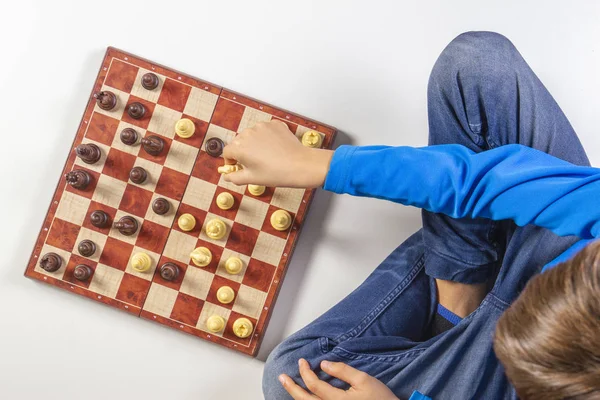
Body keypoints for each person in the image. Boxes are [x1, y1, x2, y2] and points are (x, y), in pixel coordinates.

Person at [221, 31, 600, 399]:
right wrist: (319, 164)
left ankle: (475, 254)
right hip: (554, 262)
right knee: (477, 63)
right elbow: (484, 180)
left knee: (291, 379)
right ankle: (461, 295)